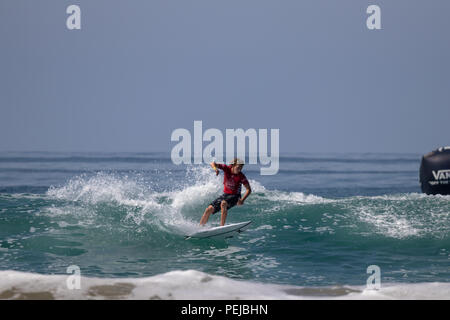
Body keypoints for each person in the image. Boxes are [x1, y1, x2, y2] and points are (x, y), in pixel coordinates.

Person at [199, 158, 252, 226]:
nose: (239, 170)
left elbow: (248, 189)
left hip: (235, 196)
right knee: (209, 209)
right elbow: (212, 163)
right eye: (238, 167)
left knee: (223, 203)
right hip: (226, 195)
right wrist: (215, 169)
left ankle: (222, 226)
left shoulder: (241, 176)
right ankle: (200, 227)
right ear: (233, 165)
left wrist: (242, 200)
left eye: (241, 168)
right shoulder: (227, 168)